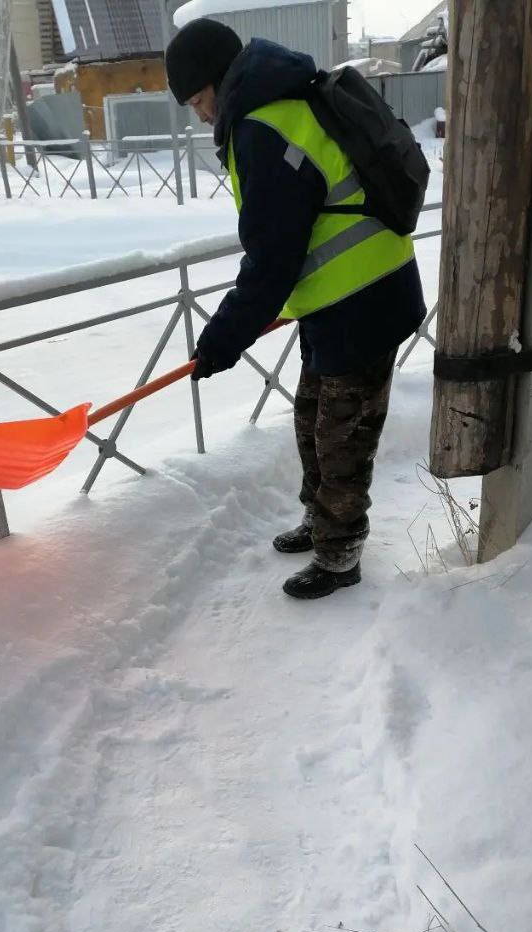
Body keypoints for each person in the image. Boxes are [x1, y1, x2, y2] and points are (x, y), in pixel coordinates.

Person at [165, 19, 426, 600]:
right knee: (312, 418)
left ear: (217, 81)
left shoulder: (264, 126)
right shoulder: (277, 103)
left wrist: (220, 341)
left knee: (341, 436)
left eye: (199, 100)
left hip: (365, 298)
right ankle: (320, 521)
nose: (201, 114)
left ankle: (340, 555)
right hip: (337, 299)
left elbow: (271, 261)